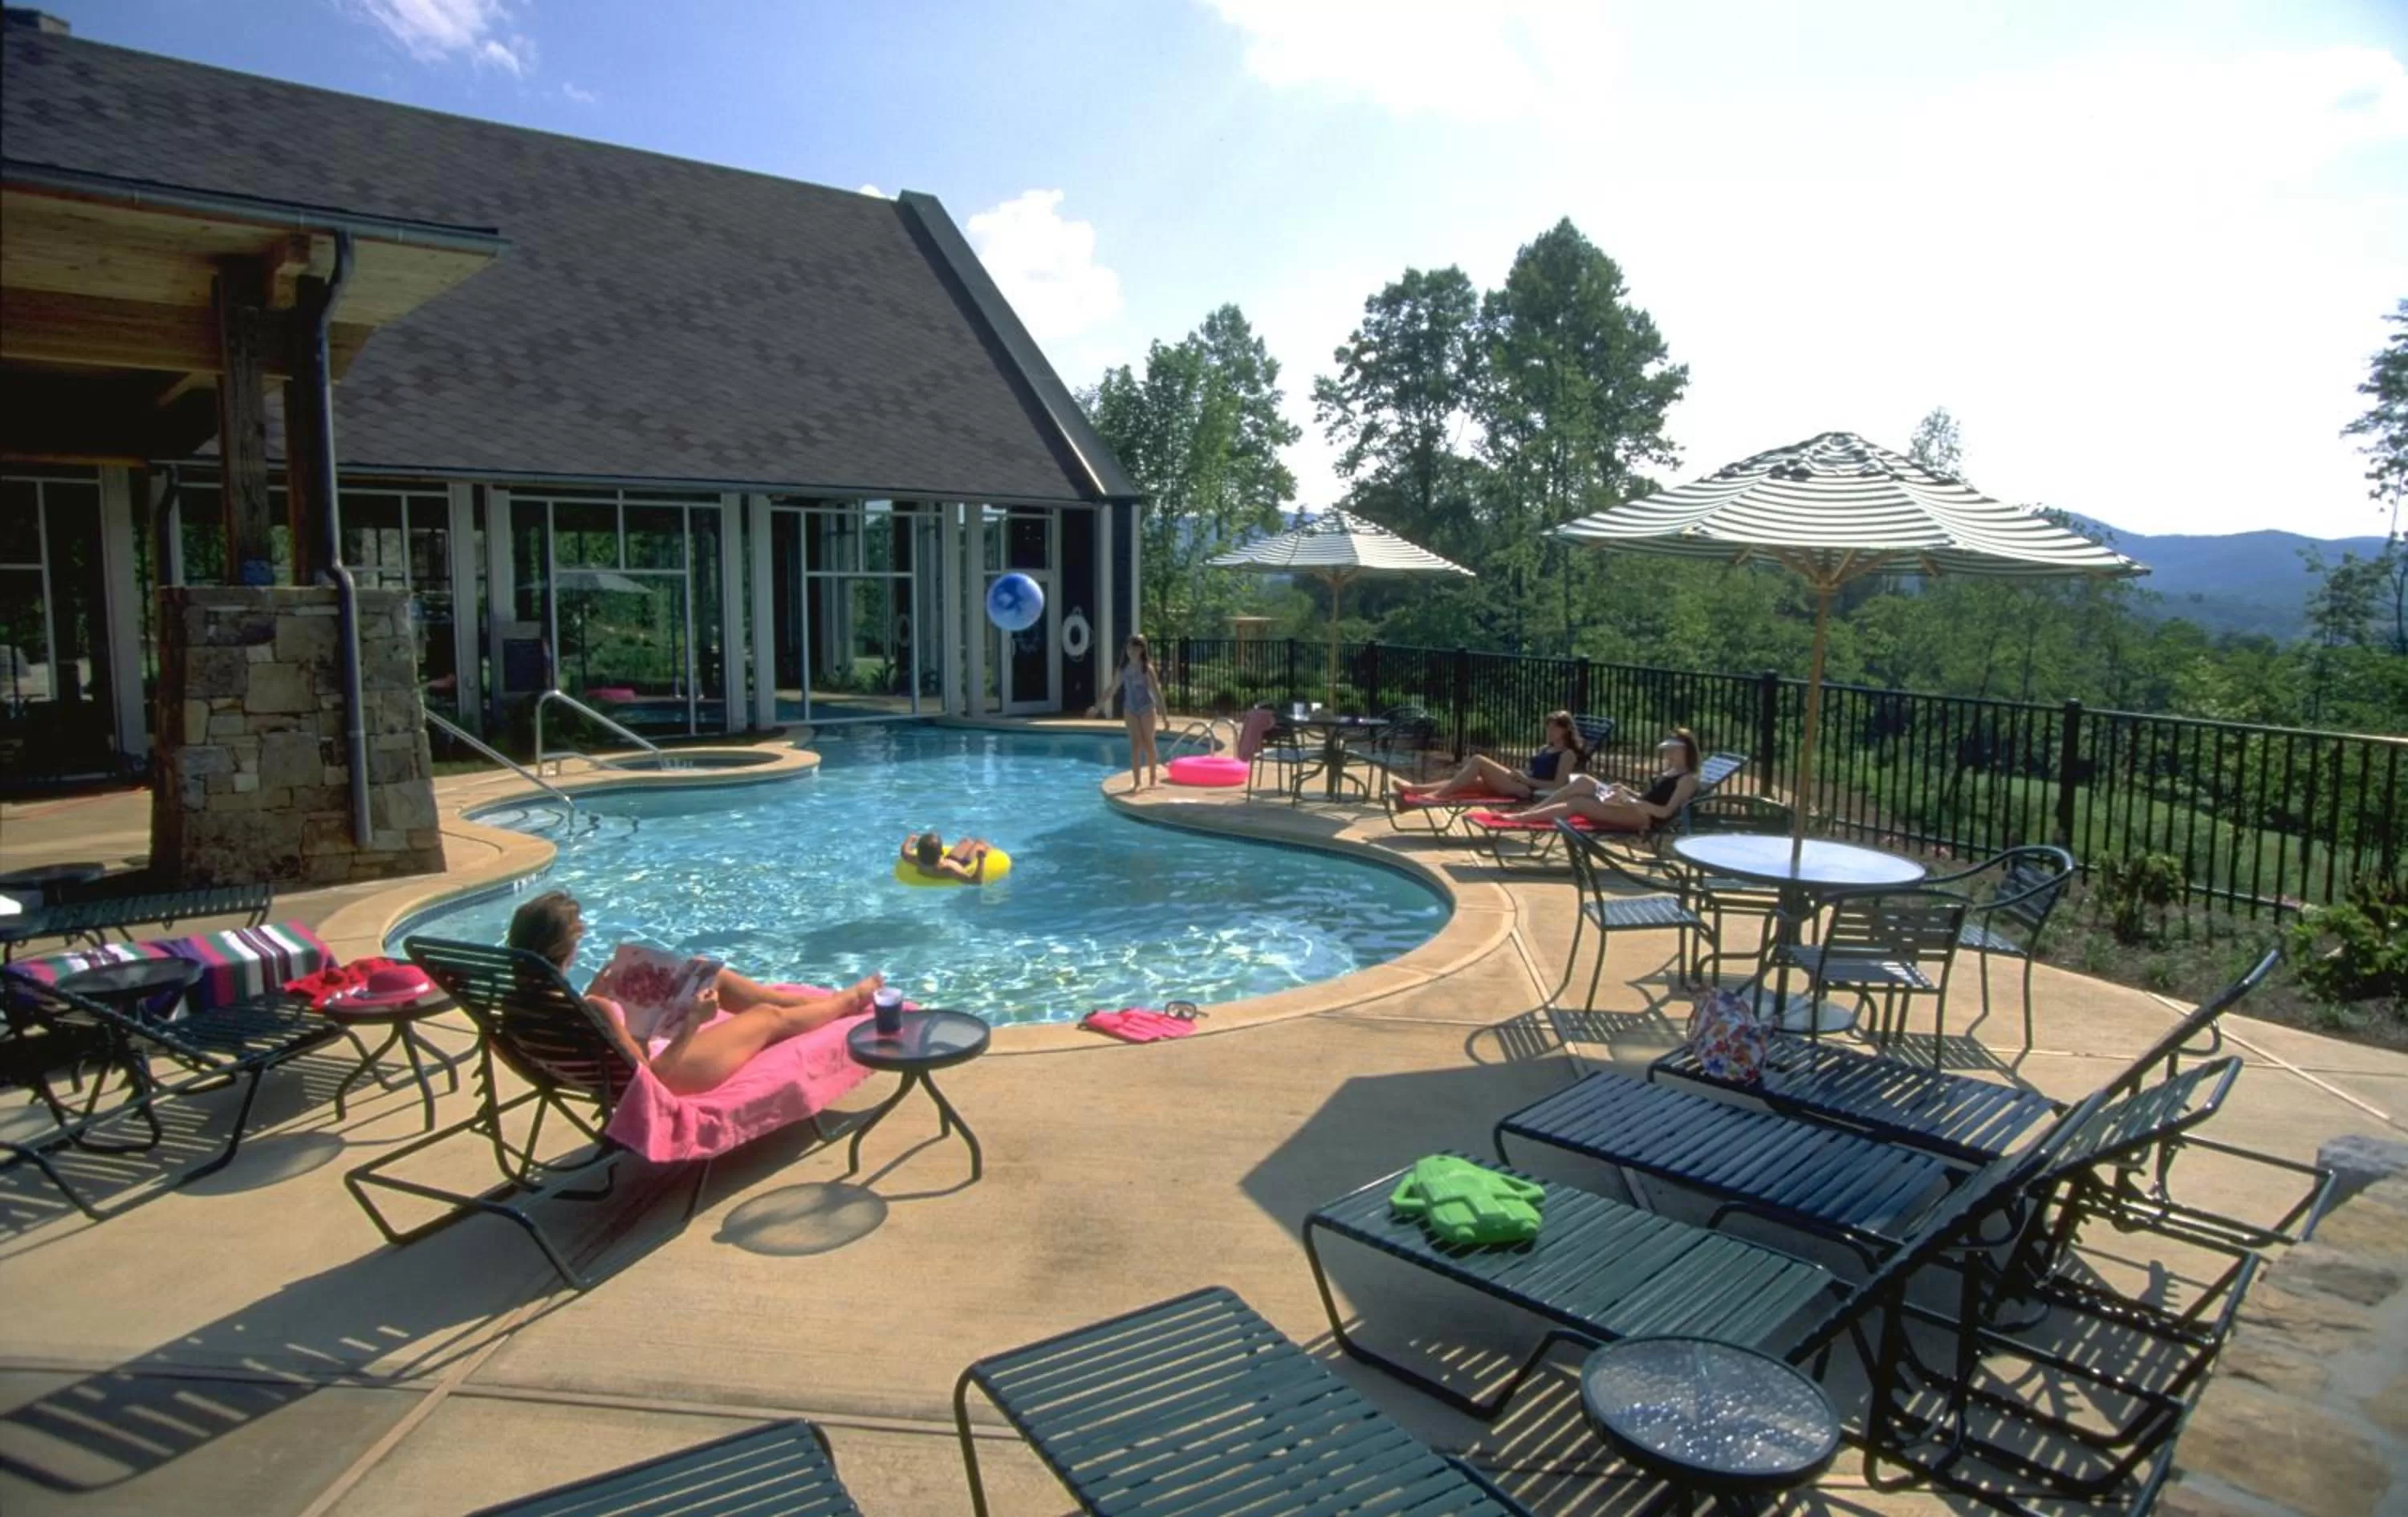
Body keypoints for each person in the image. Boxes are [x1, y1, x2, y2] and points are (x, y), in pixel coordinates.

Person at [506, 890, 878, 1096]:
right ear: (567, 948)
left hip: (606, 1070)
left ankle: (813, 1004)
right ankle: (847, 1002)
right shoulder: (595, 1010)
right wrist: (693, 1023)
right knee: (767, 1018)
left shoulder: (513, 1008)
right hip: (670, 1077)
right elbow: (651, 1080)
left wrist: (596, 995)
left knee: (704, 970)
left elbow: (577, 1040)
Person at [1500, 727, 1702, 832]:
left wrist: (1630, 801)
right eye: (1668, 750)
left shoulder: (1687, 779)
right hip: (1632, 807)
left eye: (1673, 750)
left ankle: (1522, 819)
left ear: (1686, 750)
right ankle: (1530, 813)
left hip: (1643, 818)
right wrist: (1626, 791)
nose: (1668, 754)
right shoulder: (1671, 771)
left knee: (1578, 803)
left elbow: (1665, 811)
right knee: (1583, 782)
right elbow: (1648, 798)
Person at [1399, 711, 1587, 803]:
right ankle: (1415, 789)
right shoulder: (1546, 748)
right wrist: (1522, 773)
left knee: (1479, 760)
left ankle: (1437, 796)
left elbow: (1557, 786)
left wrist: (1526, 779)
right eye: (1548, 726)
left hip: (1526, 789)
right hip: (1521, 781)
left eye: (1554, 727)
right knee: (1471, 781)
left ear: (1565, 730)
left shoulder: (1567, 755)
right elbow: (1535, 770)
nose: (1549, 731)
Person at [1090, 633, 1165, 791]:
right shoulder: (1123, 669)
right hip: (1130, 709)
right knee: (1135, 745)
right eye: (1130, 648)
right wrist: (1097, 707)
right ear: (1127, 649)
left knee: (1149, 743)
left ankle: (1152, 779)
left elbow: (1157, 693)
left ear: (1142, 650)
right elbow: (1111, 689)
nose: (1133, 651)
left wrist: (1164, 716)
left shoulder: (1147, 669)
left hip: (1146, 708)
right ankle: (1137, 782)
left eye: (1136, 648)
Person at [901, 831, 993, 884]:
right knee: (981, 843)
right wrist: (981, 860)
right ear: (941, 852)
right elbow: (976, 882)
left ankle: (968, 844)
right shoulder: (949, 869)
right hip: (963, 865)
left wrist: (909, 839)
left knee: (966, 841)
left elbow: (904, 852)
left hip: (945, 862)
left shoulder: (916, 860)